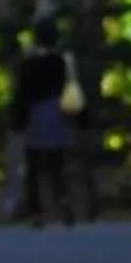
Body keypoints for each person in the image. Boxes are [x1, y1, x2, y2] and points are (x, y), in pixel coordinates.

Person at [11, 20, 78, 226]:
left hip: (35, 116)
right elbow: (71, 88)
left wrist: (17, 121)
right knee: (57, 164)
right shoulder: (62, 62)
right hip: (58, 114)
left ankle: (37, 211)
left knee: (33, 166)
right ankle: (63, 203)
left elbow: (21, 94)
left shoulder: (28, 64)